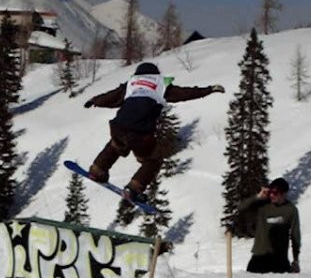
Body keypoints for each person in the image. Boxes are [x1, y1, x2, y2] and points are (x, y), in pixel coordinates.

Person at [83, 62, 225, 201]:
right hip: (141, 132)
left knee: (115, 145)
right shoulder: (160, 85)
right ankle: (134, 188)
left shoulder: (131, 84)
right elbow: (186, 93)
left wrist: (94, 101)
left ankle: (97, 170)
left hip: (118, 126)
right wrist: (209, 89)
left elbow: (110, 97)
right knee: (153, 159)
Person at [238, 177, 301, 274]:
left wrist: (295, 259)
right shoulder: (263, 205)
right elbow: (241, 208)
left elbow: (295, 235)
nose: (271, 195)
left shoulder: (291, 210)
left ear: (284, 194)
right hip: (259, 256)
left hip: (279, 259)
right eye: (270, 192)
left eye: (275, 193)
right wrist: (258, 196)